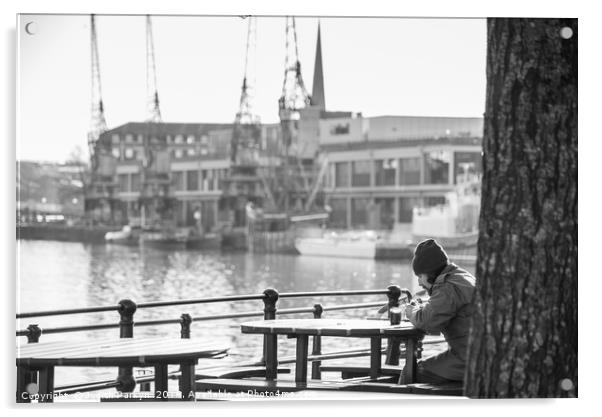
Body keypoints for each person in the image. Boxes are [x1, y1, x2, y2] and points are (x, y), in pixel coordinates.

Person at [401, 238, 476, 384]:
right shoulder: (462, 276)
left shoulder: (446, 287)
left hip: (469, 360)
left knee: (411, 372)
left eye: (420, 276)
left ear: (430, 273)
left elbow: (427, 322)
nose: (419, 282)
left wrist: (412, 311)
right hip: (483, 355)